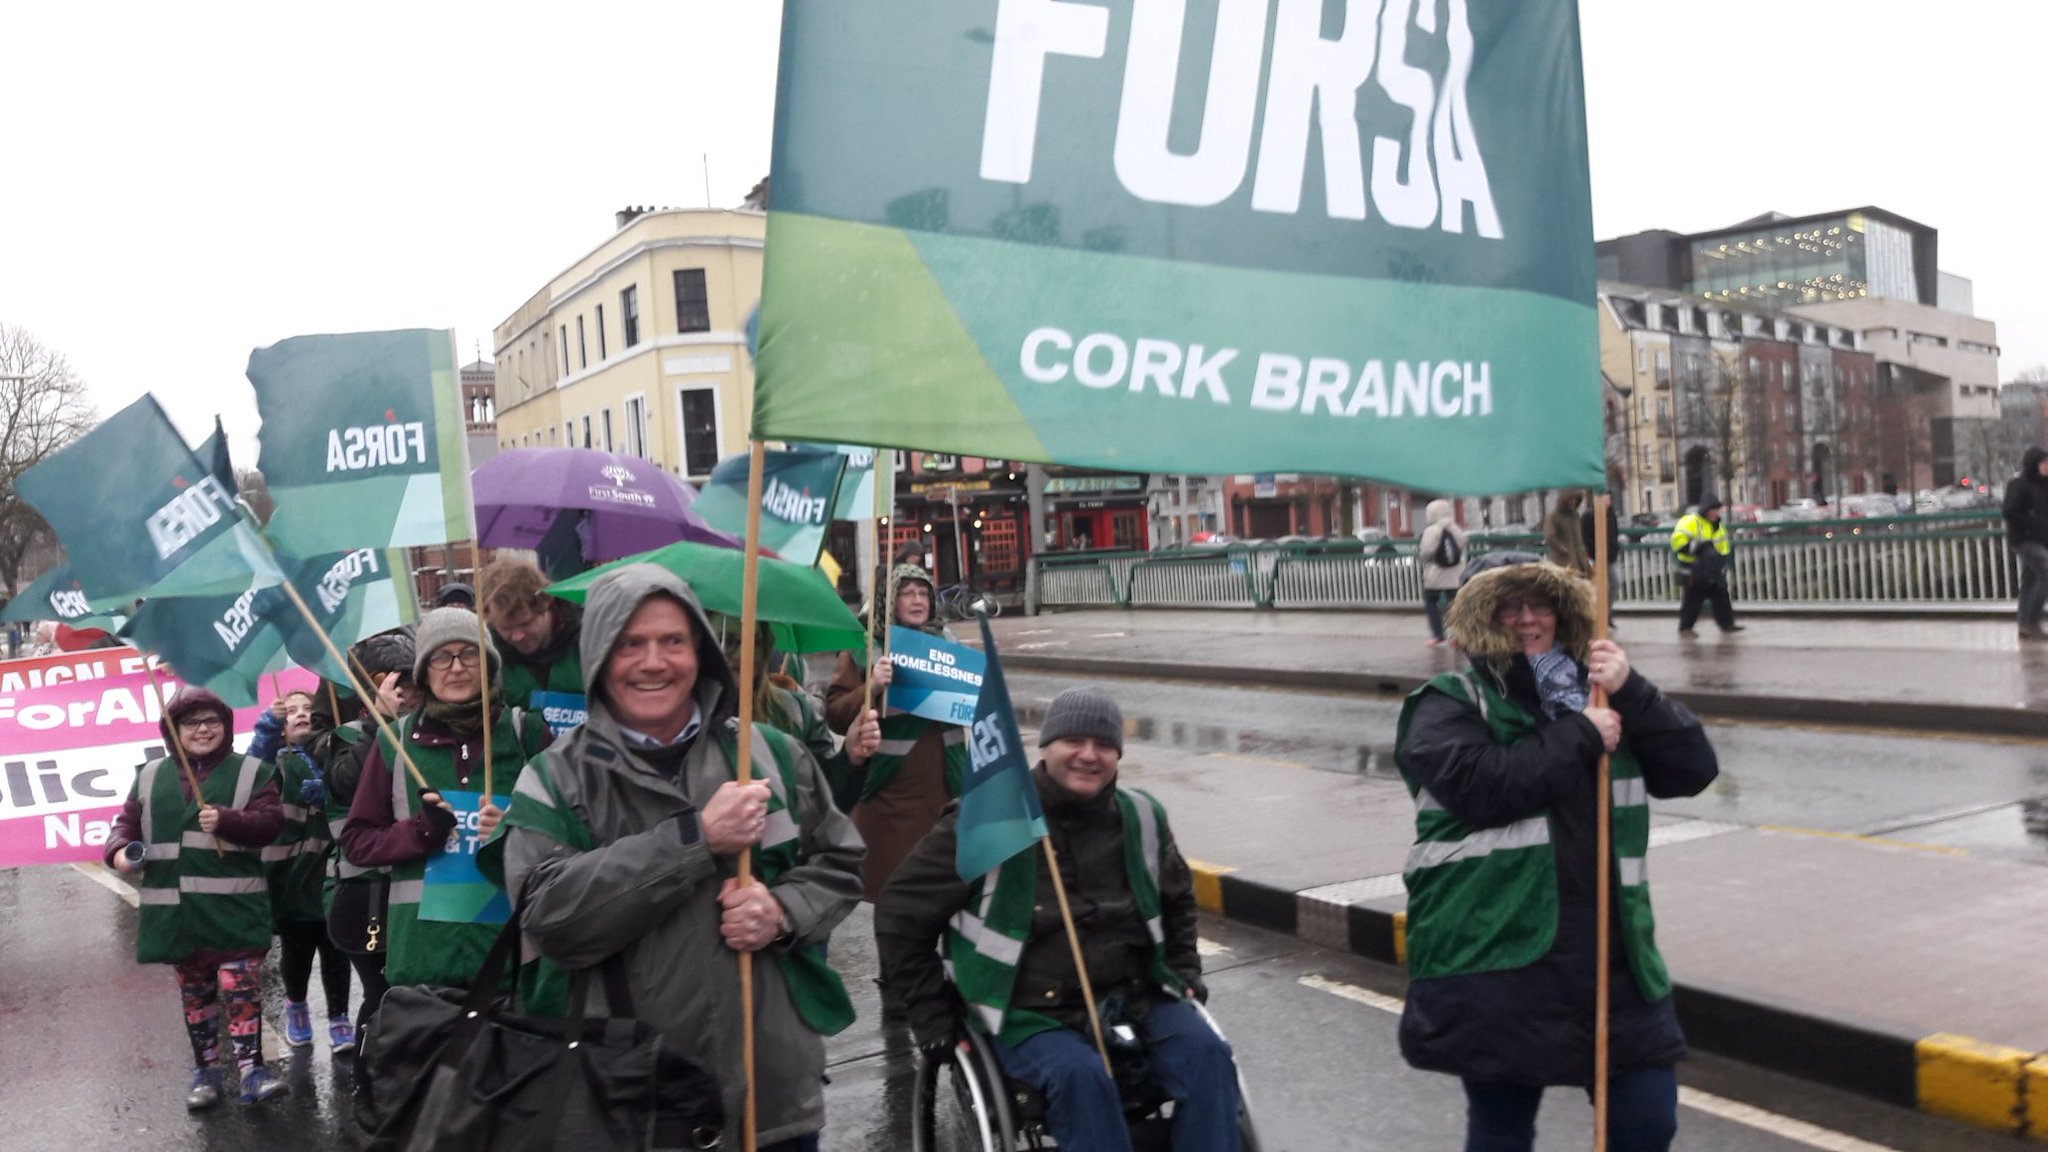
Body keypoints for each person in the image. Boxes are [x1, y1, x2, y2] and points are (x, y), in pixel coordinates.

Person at [491, 564, 865, 1152]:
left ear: (701, 653)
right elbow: (551, 920)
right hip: (631, 1108)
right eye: (630, 644)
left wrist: (784, 911)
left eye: (673, 641)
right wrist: (693, 840)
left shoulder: (771, 755)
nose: (653, 662)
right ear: (597, 656)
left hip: (772, 1100)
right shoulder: (554, 779)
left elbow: (840, 863)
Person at [1393, 561, 1718, 1152]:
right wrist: (1582, 735)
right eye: (1507, 607)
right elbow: (1483, 786)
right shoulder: (1447, 702)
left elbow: (1692, 771)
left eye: (1539, 605)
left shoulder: (1601, 695)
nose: (1525, 619)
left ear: (1563, 613)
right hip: (1500, 953)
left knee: (1647, 1121)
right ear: (1479, 620)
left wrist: (1633, 691)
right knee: (1503, 1129)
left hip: (1612, 954)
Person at [877, 686, 1239, 1152]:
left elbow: (1178, 901)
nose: (1089, 755)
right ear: (1045, 746)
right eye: (1074, 741)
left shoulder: (1143, 816)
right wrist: (931, 1016)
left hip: (1132, 996)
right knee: (1081, 1079)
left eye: (1104, 745)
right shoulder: (988, 822)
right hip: (1026, 1010)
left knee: (1209, 1054)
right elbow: (899, 913)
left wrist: (1186, 971)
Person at [338, 607, 552, 990]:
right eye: (441, 656)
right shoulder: (394, 743)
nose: (456, 666)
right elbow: (357, 842)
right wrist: (420, 832)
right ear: (424, 671)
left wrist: (515, 829)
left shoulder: (528, 733)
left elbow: (571, 835)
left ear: (488, 665)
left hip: (513, 964)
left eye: (469, 653)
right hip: (423, 964)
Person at [105, 687, 290, 1109]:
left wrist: (228, 820)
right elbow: (125, 825)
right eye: (191, 723)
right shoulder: (150, 775)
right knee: (196, 994)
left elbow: (272, 824)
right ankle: (205, 1073)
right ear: (174, 731)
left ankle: (251, 1071)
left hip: (234, 911)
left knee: (240, 986)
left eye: (212, 721)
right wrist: (118, 852)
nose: (202, 730)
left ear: (225, 727)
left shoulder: (251, 772)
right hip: (176, 915)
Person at [825, 564, 967, 901]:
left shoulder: (949, 645)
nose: (918, 601)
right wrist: (871, 687)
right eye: (907, 593)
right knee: (897, 894)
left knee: (947, 893)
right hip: (890, 797)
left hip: (947, 790)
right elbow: (835, 713)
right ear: (891, 600)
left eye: (923, 593)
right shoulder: (866, 647)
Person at [247, 688, 355, 1055]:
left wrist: (331, 789)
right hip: (291, 880)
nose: (301, 714)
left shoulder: (334, 754)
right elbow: (253, 766)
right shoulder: (276, 761)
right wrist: (266, 728)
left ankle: (339, 1016)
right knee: (297, 953)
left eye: (308, 708)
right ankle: (296, 1006)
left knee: (337, 949)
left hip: (331, 874)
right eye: (290, 710)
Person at [480, 555, 584, 709]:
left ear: (546, 603)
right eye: (505, 628)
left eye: (525, 624)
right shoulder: (487, 656)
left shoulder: (588, 638)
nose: (517, 636)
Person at [1669, 496, 1742, 635]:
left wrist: (1722, 562)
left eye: (1717, 510)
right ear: (1706, 510)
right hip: (1693, 565)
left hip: (1712, 566)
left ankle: (1727, 624)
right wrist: (1697, 548)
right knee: (1693, 597)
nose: (1716, 513)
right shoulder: (1690, 521)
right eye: (1714, 510)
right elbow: (1677, 543)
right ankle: (1686, 627)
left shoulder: (1718, 526)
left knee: (1720, 594)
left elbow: (1723, 547)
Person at [2001, 447, 2048, 640]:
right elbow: (2010, 511)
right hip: (2025, 540)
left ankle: (2024, 625)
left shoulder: (2044, 485)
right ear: (2034, 464)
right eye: (2044, 463)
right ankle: (2031, 621)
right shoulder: (2019, 484)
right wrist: (2033, 523)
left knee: (2029, 580)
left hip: (2041, 540)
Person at [1419, 500, 1468, 648]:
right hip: (1455, 575)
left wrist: (1424, 558)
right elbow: (1463, 544)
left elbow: (1426, 551)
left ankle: (1438, 635)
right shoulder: (1456, 529)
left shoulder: (1432, 530)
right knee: (1455, 605)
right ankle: (1457, 637)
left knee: (1431, 601)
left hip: (1436, 574)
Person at [1580, 497, 1622, 630]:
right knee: (1600, 585)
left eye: (1609, 499)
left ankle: (1606, 613)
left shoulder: (1611, 515)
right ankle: (1600, 614)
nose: (1607, 502)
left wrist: (1615, 548)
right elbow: (1586, 538)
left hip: (1610, 556)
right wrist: (1594, 553)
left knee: (1615, 583)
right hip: (1596, 557)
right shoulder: (1589, 516)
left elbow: (1614, 534)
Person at [1544, 491, 1591, 576]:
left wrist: (1585, 561)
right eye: (1570, 499)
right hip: (1562, 562)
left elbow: (1579, 539)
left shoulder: (1575, 516)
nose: (1573, 502)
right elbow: (1550, 537)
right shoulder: (1553, 516)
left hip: (1579, 561)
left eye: (1575, 500)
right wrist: (1563, 549)